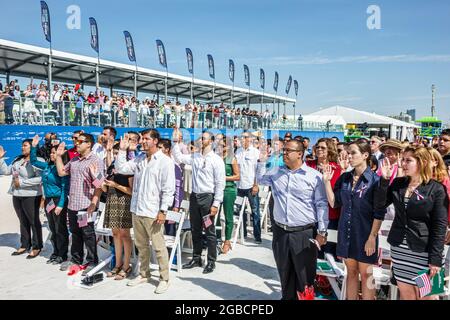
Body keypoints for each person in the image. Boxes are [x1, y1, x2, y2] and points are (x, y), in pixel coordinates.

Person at [257, 139, 328, 299]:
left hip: (304, 234)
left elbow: (321, 205)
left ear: (300, 154)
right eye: (284, 150)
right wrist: (262, 160)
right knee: (285, 274)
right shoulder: (276, 172)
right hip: (280, 232)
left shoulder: (314, 177)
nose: (284, 153)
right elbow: (260, 179)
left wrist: (322, 231)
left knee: (304, 278)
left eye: (288, 150)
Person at [376, 146, 448, 300]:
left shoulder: (436, 189)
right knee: (407, 294)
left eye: (408, 160)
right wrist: (384, 181)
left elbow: (439, 226)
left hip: (425, 252)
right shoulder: (398, 183)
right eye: (403, 160)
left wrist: (435, 260)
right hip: (400, 251)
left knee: (428, 296)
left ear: (421, 162)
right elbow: (379, 205)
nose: (403, 163)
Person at [322, 139, 386, 300]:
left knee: (367, 276)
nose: (349, 156)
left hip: (366, 234)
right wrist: (327, 182)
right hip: (347, 233)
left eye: (353, 153)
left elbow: (379, 212)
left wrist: (372, 237)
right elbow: (334, 202)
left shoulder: (375, 181)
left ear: (365, 155)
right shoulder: (345, 178)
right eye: (348, 153)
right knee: (350, 273)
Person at [115, 130, 175, 294]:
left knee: (158, 246)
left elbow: (168, 190)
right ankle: (144, 274)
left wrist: (163, 210)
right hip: (137, 209)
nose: (142, 141)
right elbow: (120, 168)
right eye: (142, 139)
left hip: (153, 211)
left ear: (155, 141)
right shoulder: (140, 159)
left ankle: (164, 279)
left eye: (146, 139)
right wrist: (122, 150)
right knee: (141, 245)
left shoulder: (164, 161)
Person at [172, 129, 226, 274]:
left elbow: (220, 184)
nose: (201, 140)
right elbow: (178, 157)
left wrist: (216, 203)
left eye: (204, 138)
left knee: (209, 230)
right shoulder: (195, 156)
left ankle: (211, 261)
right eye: (201, 138)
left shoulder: (216, 160)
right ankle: (196, 258)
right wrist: (176, 141)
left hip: (208, 199)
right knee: (195, 228)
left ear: (212, 141)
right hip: (195, 198)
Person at [55, 133, 104, 276]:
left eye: (80, 141)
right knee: (75, 233)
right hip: (73, 204)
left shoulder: (96, 160)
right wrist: (58, 156)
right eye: (76, 141)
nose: (76, 143)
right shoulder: (75, 160)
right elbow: (61, 172)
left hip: (86, 205)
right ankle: (76, 260)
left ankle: (92, 261)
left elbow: (100, 185)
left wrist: (94, 203)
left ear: (89, 144)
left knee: (88, 234)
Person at [0, 140, 44, 259]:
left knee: (33, 221)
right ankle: (25, 244)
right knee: (22, 220)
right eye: (22, 145)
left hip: (31, 195)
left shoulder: (39, 161)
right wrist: (1, 159)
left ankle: (37, 246)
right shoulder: (18, 159)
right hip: (16, 194)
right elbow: (6, 171)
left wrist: (23, 183)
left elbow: (40, 178)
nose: (22, 147)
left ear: (32, 147)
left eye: (25, 145)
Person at [30, 135, 69, 265]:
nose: (52, 155)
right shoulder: (47, 166)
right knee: (52, 228)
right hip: (49, 201)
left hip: (58, 200)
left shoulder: (62, 168)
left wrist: (61, 205)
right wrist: (34, 147)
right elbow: (34, 161)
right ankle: (55, 251)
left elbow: (65, 188)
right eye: (51, 152)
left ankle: (62, 254)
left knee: (60, 228)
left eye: (54, 152)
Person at [103, 142, 134, 281]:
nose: (115, 156)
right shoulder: (111, 167)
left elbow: (132, 191)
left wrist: (116, 185)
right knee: (115, 233)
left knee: (124, 234)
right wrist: (103, 184)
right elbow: (105, 188)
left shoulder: (129, 169)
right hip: (111, 200)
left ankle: (127, 265)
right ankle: (118, 264)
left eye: (117, 153)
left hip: (124, 202)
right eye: (114, 153)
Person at [306, 138, 341, 257]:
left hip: (330, 215)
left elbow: (335, 193)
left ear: (330, 150)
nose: (319, 149)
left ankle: (327, 276)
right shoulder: (308, 165)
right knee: (312, 250)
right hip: (310, 213)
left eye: (323, 147)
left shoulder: (336, 169)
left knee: (329, 250)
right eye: (318, 147)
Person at [234, 131, 262, 243]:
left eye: (245, 137)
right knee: (240, 210)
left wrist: (256, 185)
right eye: (242, 137)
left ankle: (257, 235)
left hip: (251, 186)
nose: (242, 139)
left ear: (250, 139)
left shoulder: (256, 152)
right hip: (239, 186)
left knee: (255, 211)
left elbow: (259, 171)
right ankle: (243, 233)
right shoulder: (238, 151)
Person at [217, 136, 240, 254]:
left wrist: (223, 178)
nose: (220, 147)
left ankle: (227, 241)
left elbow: (237, 176)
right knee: (213, 214)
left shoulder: (232, 158)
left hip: (228, 189)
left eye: (223, 145)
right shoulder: (216, 157)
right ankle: (215, 238)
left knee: (228, 216)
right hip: (217, 189)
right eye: (219, 145)